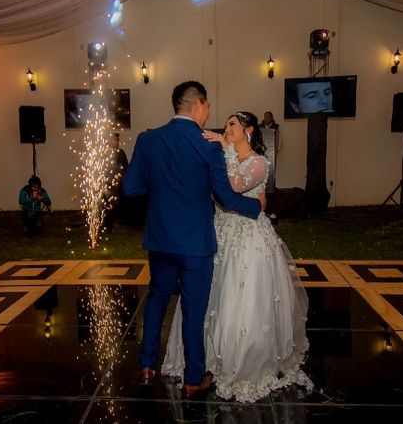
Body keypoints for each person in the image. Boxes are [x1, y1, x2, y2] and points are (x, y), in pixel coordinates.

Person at [122, 81, 264, 399]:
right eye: (208, 106)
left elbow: (130, 189)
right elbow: (226, 197)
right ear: (198, 104)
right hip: (196, 244)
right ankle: (192, 379)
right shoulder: (207, 146)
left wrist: (162, 190)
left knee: (158, 298)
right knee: (193, 309)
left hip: (160, 239)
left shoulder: (147, 139)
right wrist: (255, 206)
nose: (209, 111)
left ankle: (147, 367)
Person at [161, 111, 312, 402]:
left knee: (241, 298)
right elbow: (215, 191)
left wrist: (224, 149)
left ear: (249, 130)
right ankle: (204, 360)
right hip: (219, 234)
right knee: (210, 297)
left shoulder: (258, 162)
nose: (227, 128)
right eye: (226, 124)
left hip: (249, 240)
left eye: (233, 124)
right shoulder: (223, 156)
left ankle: (242, 360)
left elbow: (234, 186)